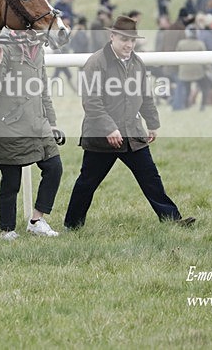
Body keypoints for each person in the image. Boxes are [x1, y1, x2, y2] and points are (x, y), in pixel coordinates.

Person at [63, 16, 195, 229]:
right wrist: (109, 128)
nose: (129, 45)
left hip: (132, 134)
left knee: (150, 178)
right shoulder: (96, 62)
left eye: (132, 40)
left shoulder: (137, 63)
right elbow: (91, 102)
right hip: (101, 137)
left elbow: (145, 95)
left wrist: (152, 123)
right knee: (87, 182)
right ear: (112, 36)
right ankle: (72, 225)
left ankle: (172, 220)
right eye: (124, 39)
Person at [0, 30, 64, 240]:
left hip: (39, 124)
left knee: (54, 168)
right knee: (11, 181)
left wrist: (52, 122)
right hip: (11, 125)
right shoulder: (3, 47)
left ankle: (37, 220)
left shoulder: (39, 49)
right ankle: (7, 230)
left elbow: (44, 89)